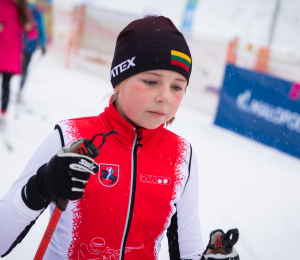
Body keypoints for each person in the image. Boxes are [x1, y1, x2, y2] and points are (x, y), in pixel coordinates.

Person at [0, 6, 205, 260]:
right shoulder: (70, 136)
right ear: (118, 80)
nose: (165, 97)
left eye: (177, 86)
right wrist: (39, 188)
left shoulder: (182, 155)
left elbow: (190, 251)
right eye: (151, 81)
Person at [0, 0, 30, 127]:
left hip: (11, 54)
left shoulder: (22, 7)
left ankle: (3, 114)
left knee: (6, 86)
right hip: (2, 49)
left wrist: (30, 27)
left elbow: (32, 33)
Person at [18, 0, 46, 102]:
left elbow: (41, 30)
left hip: (27, 46)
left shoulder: (36, 13)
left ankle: (19, 90)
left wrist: (43, 44)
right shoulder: (20, 9)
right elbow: (42, 30)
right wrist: (43, 45)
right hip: (20, 46)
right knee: (19, 70)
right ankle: (17, 90)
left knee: (22, 70)